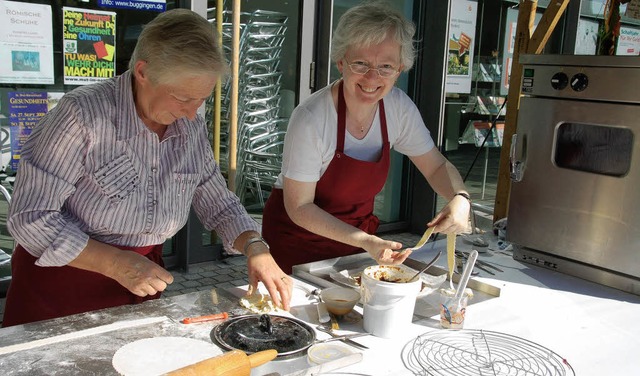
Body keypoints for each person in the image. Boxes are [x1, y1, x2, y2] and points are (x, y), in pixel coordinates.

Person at [3, 9, 291, 328]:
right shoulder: (81, 116)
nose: (191, 113)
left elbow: (218, 203)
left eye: (201, 100)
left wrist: (255, 246)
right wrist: (115, 263)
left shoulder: (189, 124)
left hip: (140, 283)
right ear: (143, 72)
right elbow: (30, 217)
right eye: (182, 98)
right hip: (61, 286)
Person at [262, 2, 471, 274]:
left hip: (358, 245)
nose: (373, 77)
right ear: (341, 62)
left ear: (400, 69)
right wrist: (366, 241)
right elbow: (299, 206)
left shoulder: (398, 108)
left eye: (386, 66)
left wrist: (460, 197)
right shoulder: (311, 118)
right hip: (298, 244)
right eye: (360, 63)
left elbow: (435, 166)